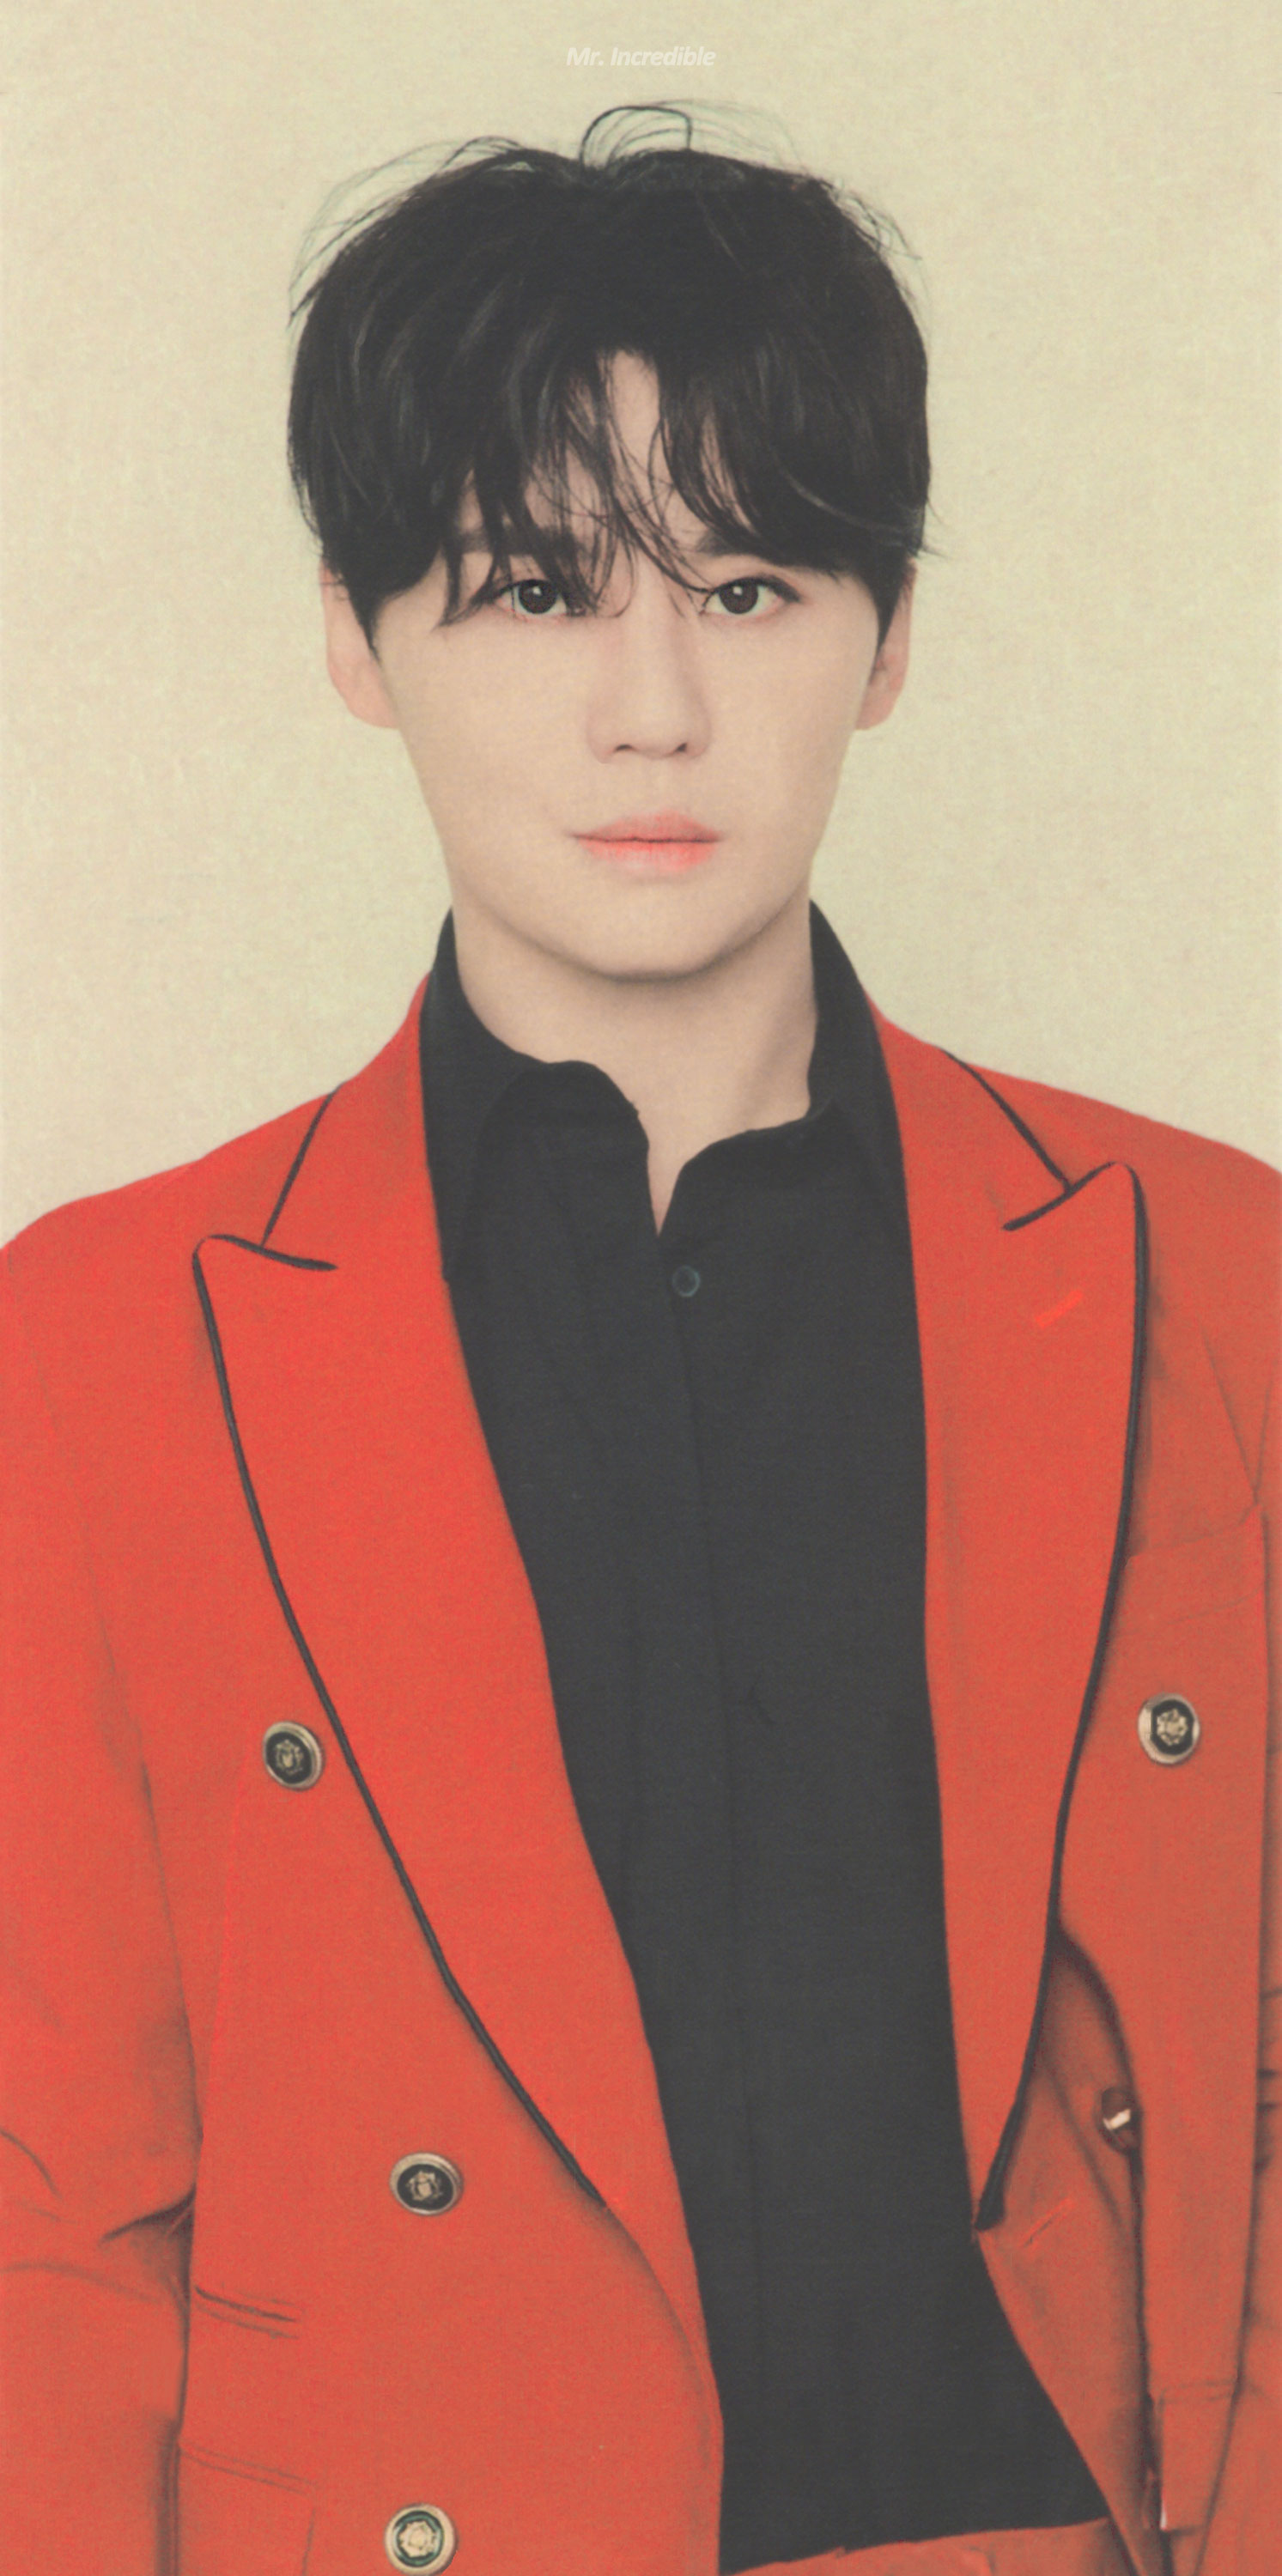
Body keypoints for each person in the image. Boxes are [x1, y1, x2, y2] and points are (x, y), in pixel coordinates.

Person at [1, 108, 1277, 2576]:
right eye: (531, 589)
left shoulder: (1215, 1274)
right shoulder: (96, 1338)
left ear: (886, 640)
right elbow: (55, 2204)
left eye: (752, 582)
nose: (655, 707)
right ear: (356, 639)